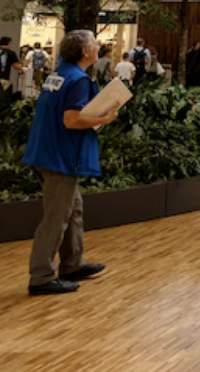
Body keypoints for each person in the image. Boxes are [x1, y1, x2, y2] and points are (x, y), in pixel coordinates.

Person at [22, 30, 119, 295]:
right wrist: (104, 119)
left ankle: (72, 263)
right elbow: (72, 120)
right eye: (94, 44)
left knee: (73, 208)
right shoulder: (78, 79)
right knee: (56, 217)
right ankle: (41, 276)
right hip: (59, 157)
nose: (98, 46)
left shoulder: (59, 74)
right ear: (85, 52)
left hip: (44, 151)